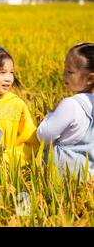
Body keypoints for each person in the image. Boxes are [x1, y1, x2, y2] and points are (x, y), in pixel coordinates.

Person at [37, 43, 94, 178]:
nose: (63, 74)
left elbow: (44, 135)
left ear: (90, 78)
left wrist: (51, 113)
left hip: (65, 177)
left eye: (69, 71)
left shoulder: (70, 105)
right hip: (88, 175)